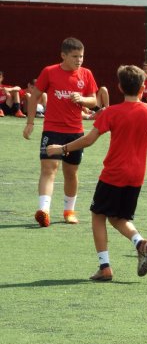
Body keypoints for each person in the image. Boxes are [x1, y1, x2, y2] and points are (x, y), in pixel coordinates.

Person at [46, 65, 147, 281]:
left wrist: (62, 149)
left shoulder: (112, 112)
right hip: (136, 176)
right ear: (143, 87)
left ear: (119, 87)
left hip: (113, 174)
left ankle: (105, 267)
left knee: (98, 215)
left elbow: (89, 139)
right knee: (118, 218)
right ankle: (140, 242)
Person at [23, 37, 98, 227]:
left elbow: (94, 101)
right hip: (52, 129)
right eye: (74, 56)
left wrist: (81, 99)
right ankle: (44, 210)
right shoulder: (49, 72)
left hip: (75, 132)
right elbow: (34, 97)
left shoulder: (86, 74)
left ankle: (69, 211)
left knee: (71, 172)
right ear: (63, 55)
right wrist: (30, 122)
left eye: (81, 56)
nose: (79, 60)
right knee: (49, 169)